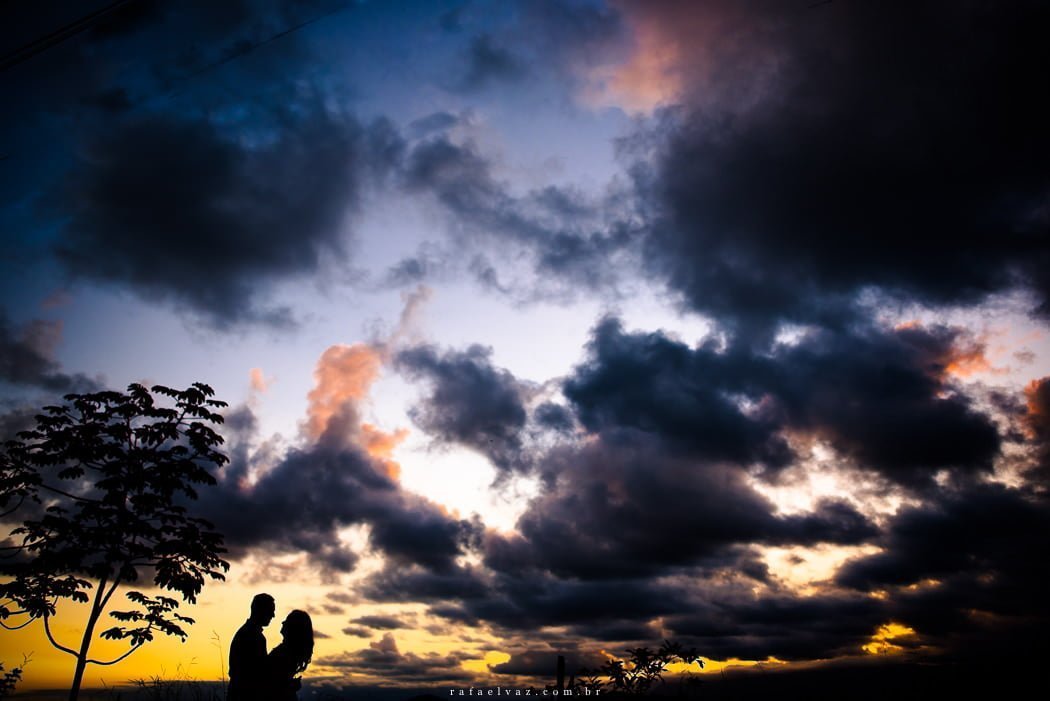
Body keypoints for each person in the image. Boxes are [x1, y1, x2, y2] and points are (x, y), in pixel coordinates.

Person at [227, 593, 276, 700]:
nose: (273, 615)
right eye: (271, 610)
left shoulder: (245, 632)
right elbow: (259, 674)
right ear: (261, 610)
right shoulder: (254, 636)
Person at [265, 609, 314, 700]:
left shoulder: (285, 653)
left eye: (287, 621)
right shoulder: (289, 651)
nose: (283, 622)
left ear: (293, 627)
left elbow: (273, 681)